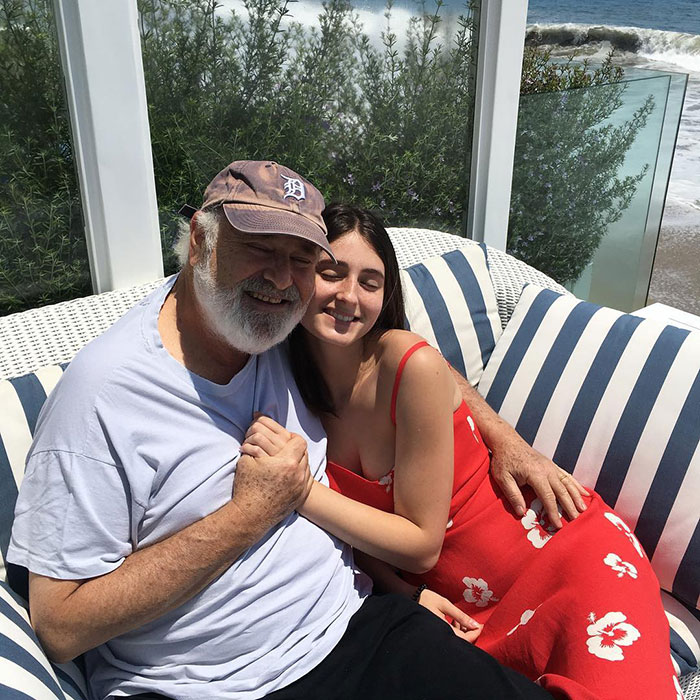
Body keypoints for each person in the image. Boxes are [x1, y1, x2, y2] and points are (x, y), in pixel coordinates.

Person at [8, 161, 556, 700]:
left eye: (300, 259)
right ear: (200, 241)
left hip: (361, 627)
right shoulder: (103, 395)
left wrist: (503, 436)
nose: (278, 278)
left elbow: (406, 359)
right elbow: (60, 627)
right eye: (259, 248)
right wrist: (248, 514)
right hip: (209, 686)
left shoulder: (278, 330)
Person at [243, 203, 680, 700]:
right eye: (331, 273)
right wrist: (406, 591)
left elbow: (420, 544)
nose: (349, 296)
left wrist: (297, 490)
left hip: (564, 561)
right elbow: (350, 536)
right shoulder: (285, 387)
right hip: (461, 612)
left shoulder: (406, 364)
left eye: (370, 282)